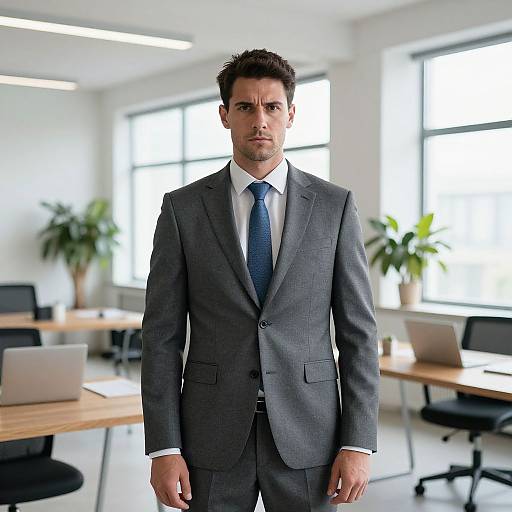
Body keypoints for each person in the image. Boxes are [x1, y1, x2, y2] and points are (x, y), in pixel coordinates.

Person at [141, 48, 379, 511]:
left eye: (272, 107)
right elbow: (161, 338)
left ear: (290, 114)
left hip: (312, 433)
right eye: (245, 107)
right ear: (224, 115)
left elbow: (358, 334)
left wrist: (358, 443)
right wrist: (164, 448)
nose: (260, 120)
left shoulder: (334, 206)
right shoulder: (182, 209)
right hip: (209, 434)